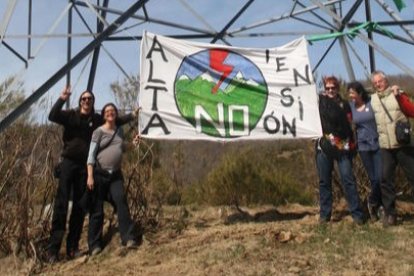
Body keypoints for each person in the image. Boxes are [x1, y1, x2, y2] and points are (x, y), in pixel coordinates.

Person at [47, 86, 137, 263]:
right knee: (61, 204)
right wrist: (62, 99)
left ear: (93, 103)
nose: (86, 101)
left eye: (89, 99)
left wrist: (133, 115)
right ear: (80, 101)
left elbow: (114, 121)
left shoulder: (96, 119)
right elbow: (52, 116)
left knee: (80, 208)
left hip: (85, 167)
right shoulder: (70, 115)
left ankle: (72, 248)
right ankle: (53, 250)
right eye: (84, 99)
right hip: (68, 163)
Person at [86, 103, 141, 256]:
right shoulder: (98, 132)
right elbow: (91, 155)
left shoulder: (119, 131)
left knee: (121, 201)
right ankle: (94, 245)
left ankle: (128, 238)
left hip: (115, 174)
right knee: (97, 209)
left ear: (116, 114)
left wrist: (133, 144)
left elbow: (122, 148)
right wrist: (90, 176)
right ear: (104, 115)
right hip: (99, 174)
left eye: (113, 111)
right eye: (107, 111)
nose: (110, 113)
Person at [316, 76, 365, 225]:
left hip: (342, 146)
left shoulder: (345, 105)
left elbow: (349, 124)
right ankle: (325, 215)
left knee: (348, 179)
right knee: (324, 181)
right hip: (323, 146)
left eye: (333, 88)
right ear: (324, 89)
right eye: (327, 88)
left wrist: (351, 144)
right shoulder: (319, 103)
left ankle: (357, 215)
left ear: (337, 88)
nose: (330, 90)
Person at [370, 70, 414, 226]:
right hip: (385, 146)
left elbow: (411, 111)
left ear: (386, 80)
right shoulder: (373, 99)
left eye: (380, 81)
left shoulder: (398, 94)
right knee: (385, 179)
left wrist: (399, 97)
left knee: (412, 176)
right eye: (375, 83)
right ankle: (390, 214)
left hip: (402, 144)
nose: (378, 85)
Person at [347, 82, 382, 221]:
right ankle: (377, 207)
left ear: (360, 93)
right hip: (363, 146)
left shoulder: (371, 103)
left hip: (377, 143)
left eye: (352, 93)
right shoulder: (350, 107)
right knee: (373, 178)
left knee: (380, 177)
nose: (351, 96)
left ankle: (372, 201)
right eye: (349, 93)